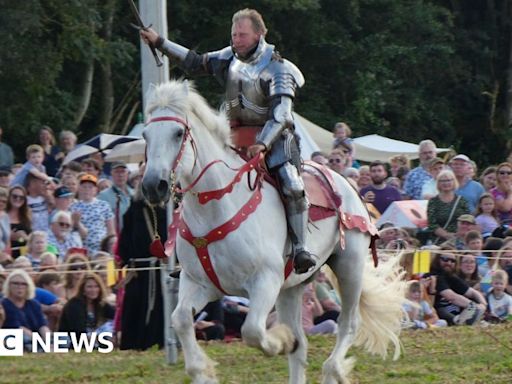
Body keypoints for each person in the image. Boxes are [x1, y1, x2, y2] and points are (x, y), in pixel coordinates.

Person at [140, 8, 315, 273]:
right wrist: (159, 42)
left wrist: (264, 142)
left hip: (275, 138)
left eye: (242, 34)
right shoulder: (228, 59)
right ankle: (187, 250)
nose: (236, 40)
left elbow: (282, 115)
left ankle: (300, 248)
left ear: (259, 33)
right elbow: (194, 62)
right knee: (199, 176)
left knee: (291, 184)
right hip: (234, 136)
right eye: (234, 34)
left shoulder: (279, 68)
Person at [118, 178, 166, 350]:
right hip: (140, 268)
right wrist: (127, 262)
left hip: (163, 267)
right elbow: (126, 240)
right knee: (136, 306)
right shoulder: (134, 210)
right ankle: (135, 344)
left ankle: (161, 341)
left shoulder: (168, 210)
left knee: (162, 306)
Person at [428, 251, 487, 326]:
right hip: (437, 311)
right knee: (442, 309)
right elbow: (452, 297)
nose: (449, 263)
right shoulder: (434, 276)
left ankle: (467, 322)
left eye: (452, 261)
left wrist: (483, 304)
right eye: (445, 259)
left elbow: (472, 292)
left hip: (454, 309)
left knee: (473, 301)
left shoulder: (451, 277)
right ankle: (459, 322)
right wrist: (474, 306)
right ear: (437, 260)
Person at [1, 269, 50, 349]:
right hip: (13, 340)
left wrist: (47, 340)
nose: (19, 287)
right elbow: (18, 328)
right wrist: (39, 342)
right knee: (24, 338)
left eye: (23, 284)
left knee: (64, 339)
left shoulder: (34, 304)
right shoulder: (4, 304)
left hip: (35, 339)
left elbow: (42, 325)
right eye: (15, 283)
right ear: (9, 285)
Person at [70, 174, 115, 255]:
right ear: (79, 189)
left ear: (96, 190)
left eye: (90, 187)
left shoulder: (104, 205)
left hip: (102, 247)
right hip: (83, 248)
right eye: (84, 187)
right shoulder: (73, 207)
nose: (87, 190)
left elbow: (111, 230)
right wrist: (76, 222)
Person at [59, 272, 115, 336]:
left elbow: (115, 316)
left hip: (90, 338)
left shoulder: (99, 303)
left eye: (96, 286)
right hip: (70, 339)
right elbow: (78, 331)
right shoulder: (74, 305)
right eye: (89, 287)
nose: (93, 290)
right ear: (83, 289)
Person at [427, 170, 470, 244]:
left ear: (454, 182)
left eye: (449, 180)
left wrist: (459, 234)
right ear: (438, 183)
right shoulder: (433, 202)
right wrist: (446, 235)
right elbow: (432, 224)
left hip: (460, 240)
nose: (446, 183)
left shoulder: (461, 200)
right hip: (439, 241)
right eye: (442, 181)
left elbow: (468, 219)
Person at [98, 161, 134, 233]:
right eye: (117, 172)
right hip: (116, 238)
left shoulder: (134, 193)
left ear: (127, 174)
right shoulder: (103, 196)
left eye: (123, 171)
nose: (120, 175)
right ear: (111, 174)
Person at [7, 185, 31, 258]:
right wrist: (10, 237)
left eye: (21, 198)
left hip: (23, 254)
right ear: (9, 197)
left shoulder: (27, 216)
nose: (18, 199)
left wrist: (26, 238)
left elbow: (30, 237)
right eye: (15, 196)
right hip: (6, 254)